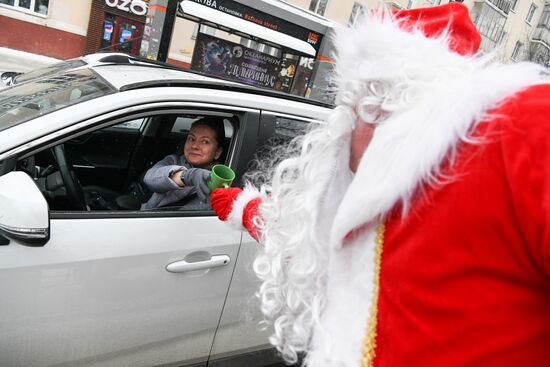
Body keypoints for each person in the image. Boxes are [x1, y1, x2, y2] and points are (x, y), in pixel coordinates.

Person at [210, 3, 550, 367]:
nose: (346, 124)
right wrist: (242, 206)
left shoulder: (516, 130)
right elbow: (303, 235)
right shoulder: (366, 190)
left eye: (358, 106)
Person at [141, 117, 224, 209]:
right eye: (191, 139)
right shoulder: (174, 161)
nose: (195, 146)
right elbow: (149, 178)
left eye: (205, 142)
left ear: (217, 152)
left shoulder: (222, 182)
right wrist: (187, 176)